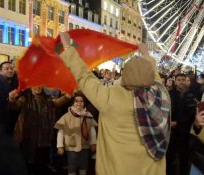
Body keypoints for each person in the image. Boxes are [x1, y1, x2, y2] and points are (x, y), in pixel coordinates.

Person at [59, 32, 171, 175]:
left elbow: (84, 77)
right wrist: (146, 56)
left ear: (125, 76)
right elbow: (156, 78)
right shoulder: (162, 95)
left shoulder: (111, 97)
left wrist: (68, 48)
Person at [54, 92, 97, 175]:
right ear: (72, 103)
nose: (79, 103)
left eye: (81, 101)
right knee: (72, 165)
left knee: (84, 165)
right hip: (71, 147)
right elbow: (60, 132)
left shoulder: (88, 116)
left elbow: (92, 131)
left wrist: (93, 143)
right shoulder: (66, 117)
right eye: (76, 101)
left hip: (85, 146)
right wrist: (60, 145)